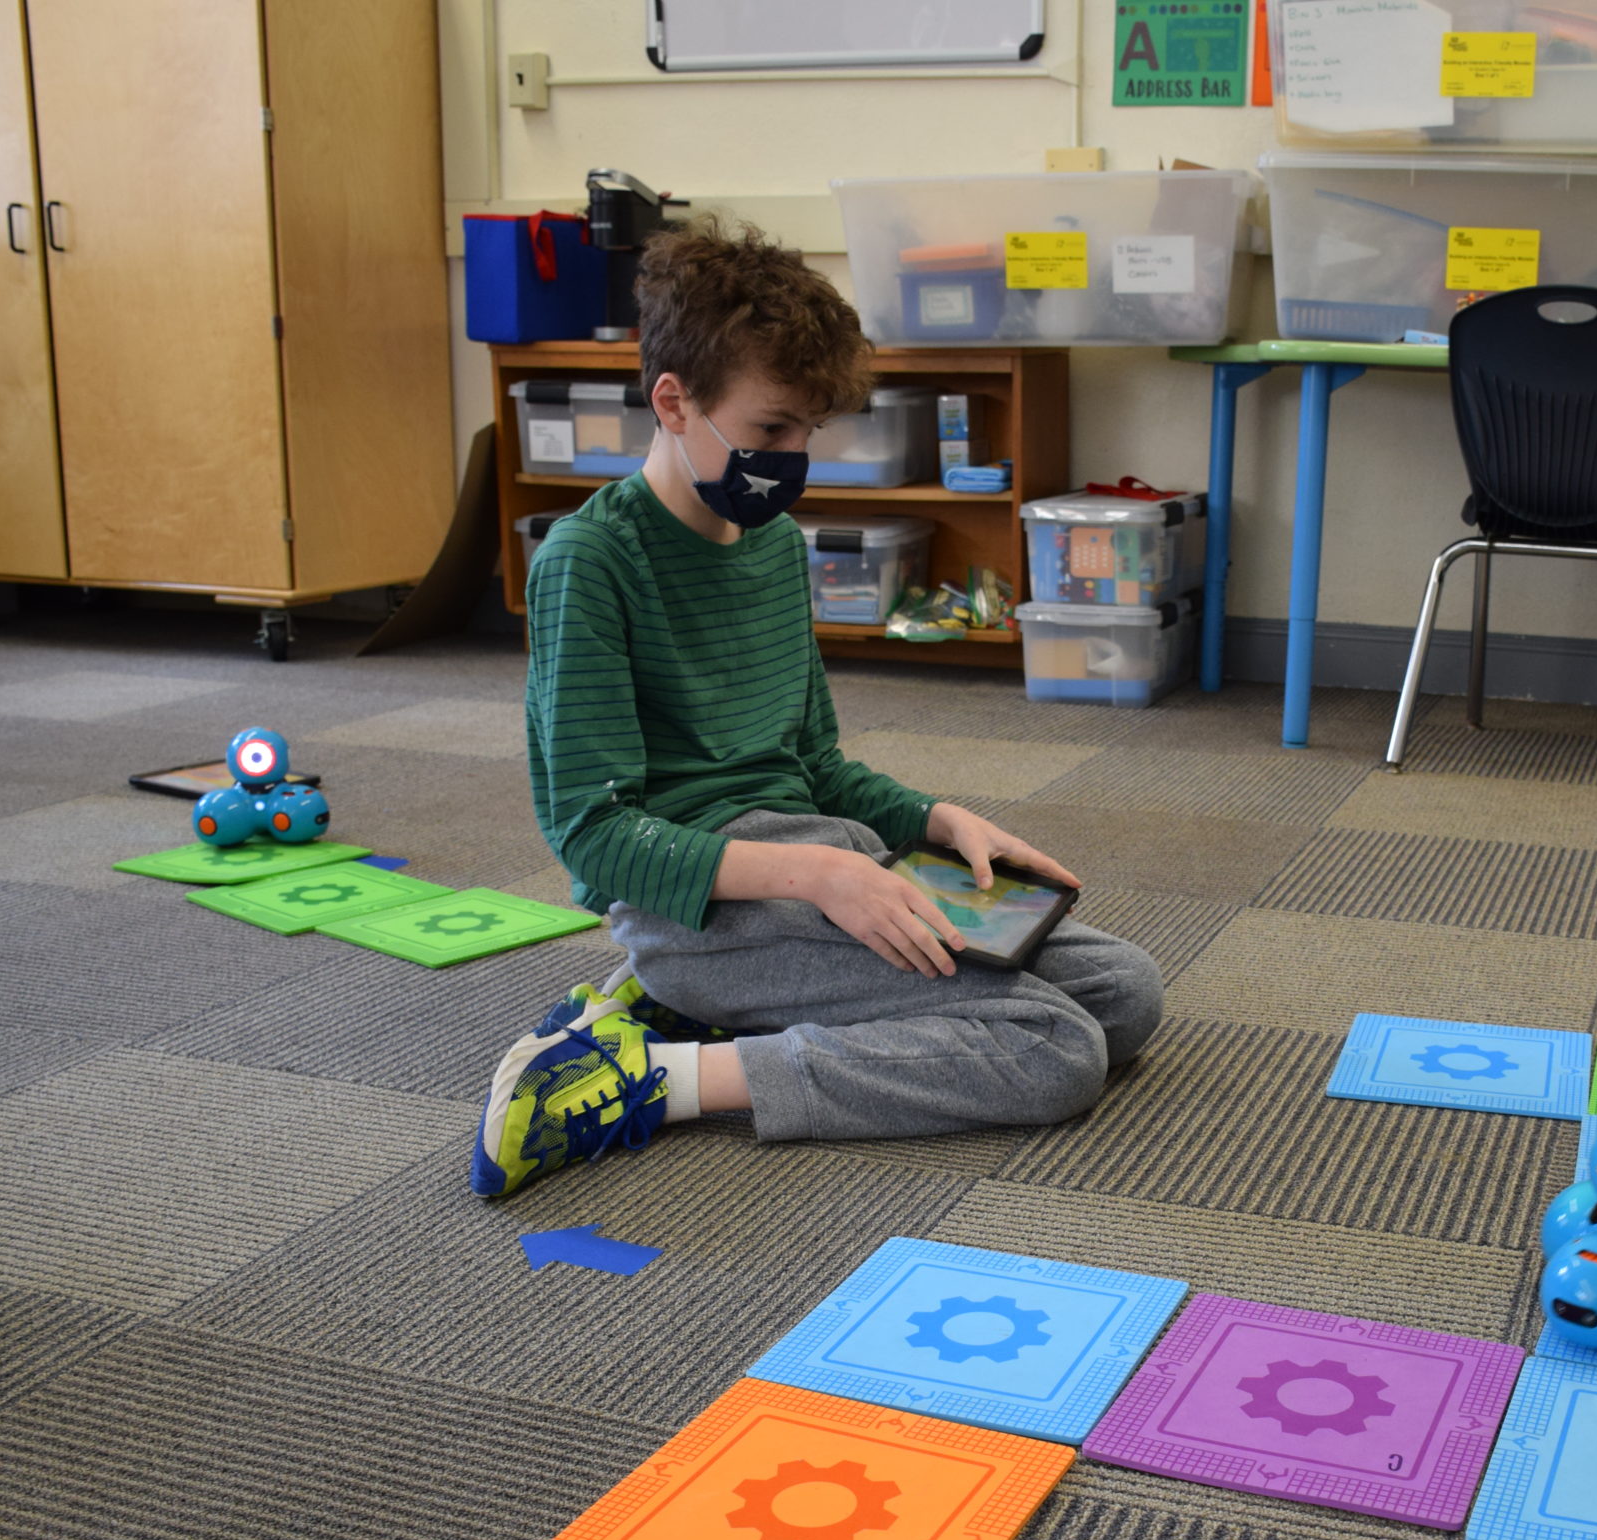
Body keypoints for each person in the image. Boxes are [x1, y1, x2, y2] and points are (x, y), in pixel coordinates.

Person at [471, 220, 1163, 1197]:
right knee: (1056, 1050)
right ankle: (651, 1074)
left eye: (808, 432)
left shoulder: (772, 545)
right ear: (673, 402)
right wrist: (819, 874)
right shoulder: (588, 564)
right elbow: (591, 838)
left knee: (1123, 995)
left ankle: (730, 1015)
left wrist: (936, 820)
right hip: (704, 909)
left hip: (819, 859)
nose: (792, 459)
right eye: (769, 432)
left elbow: (817, 766)